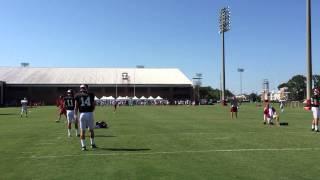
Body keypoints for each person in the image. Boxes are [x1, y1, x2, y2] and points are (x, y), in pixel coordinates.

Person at [74, 84, 97, 151]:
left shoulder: (77, 95)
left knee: (82, 130)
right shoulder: (91, 94)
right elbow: (93, 105)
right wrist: (92, 110)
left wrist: (75, 115)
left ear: (80, 89)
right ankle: (92, 144)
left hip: (82, 114)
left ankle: (83, 146)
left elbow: (76, 107)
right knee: (91, 130)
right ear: (86, 88)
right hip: (89, 113)